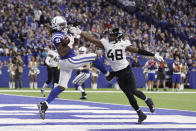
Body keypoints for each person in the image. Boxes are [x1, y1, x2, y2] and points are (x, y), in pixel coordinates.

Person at [70, 27, 164, 124]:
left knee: (133, 90)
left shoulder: (123, 44)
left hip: (126, 70)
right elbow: (92, 40)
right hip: (117, 73)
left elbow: (137, 50)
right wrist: (81, 32)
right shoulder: (105, 43)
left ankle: (148, 100)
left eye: (113, 36)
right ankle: (140, 114)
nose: (110, 37)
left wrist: (153, 55)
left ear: (118, 37)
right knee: (128, 96)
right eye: (110, 35)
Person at [37, 16, 109, 120]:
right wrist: (69, 37)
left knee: (62, 86)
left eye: (64, 24)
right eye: (61, 25)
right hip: (69, 60)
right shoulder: (56, 36)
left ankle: (44, 104)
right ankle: (108, 74)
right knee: (94, 56)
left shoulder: (63, 34)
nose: (64, 26)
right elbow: (62, 51)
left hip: (65, 63)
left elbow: (72, 45)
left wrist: (75, 36)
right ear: (56, 26)